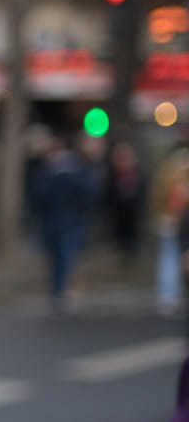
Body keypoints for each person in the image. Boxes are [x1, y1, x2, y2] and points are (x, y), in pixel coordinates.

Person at [28, 132, 93, 315]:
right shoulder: (49, 171)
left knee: (63, 258)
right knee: (57, 258)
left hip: (64, 222)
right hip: (58, 222)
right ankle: (58, 291)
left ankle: (59, 291)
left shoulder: (62, 172)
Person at [149, 141, 189, 316]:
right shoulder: (181, 179)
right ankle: (170, 295)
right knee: (173, 259)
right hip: (176, 223)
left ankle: (167, 295)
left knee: (168, 258)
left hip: (166, 221)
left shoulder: (166, 174)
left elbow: (156, 197)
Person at [102, 140, 146, 263]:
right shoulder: (111, 174)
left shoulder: (137, 173)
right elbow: (107, 195)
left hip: (133, 216)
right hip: (117, 217)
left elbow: (142, 191)